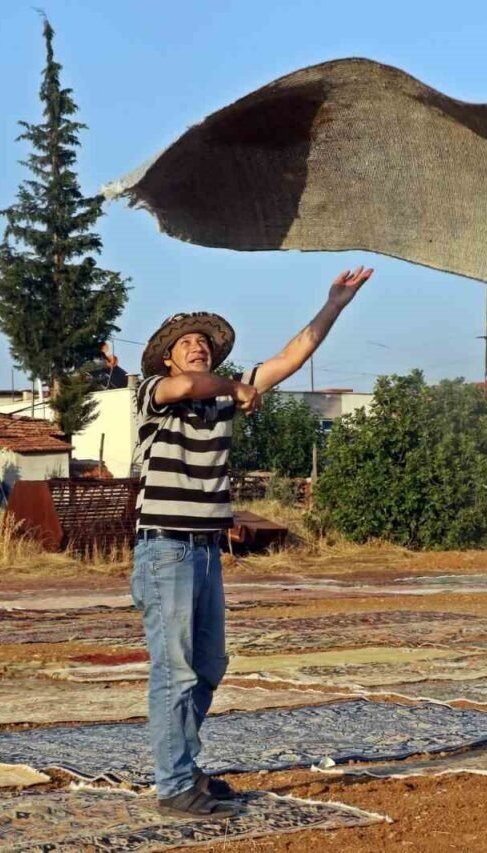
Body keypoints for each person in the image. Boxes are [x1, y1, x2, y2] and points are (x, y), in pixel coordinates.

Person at [130, 266, 373, 817]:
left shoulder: (224, 399)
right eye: (185, 343)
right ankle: (174, 785)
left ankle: (184, 766)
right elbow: (188, 388)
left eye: (203, 342)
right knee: (174, 670)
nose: (197, 347)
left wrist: (334, 304)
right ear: (166, 359)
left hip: (205, 550)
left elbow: (292, 357)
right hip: (165, 550)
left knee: (208, 666)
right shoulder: (152, 394)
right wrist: (236, 387)